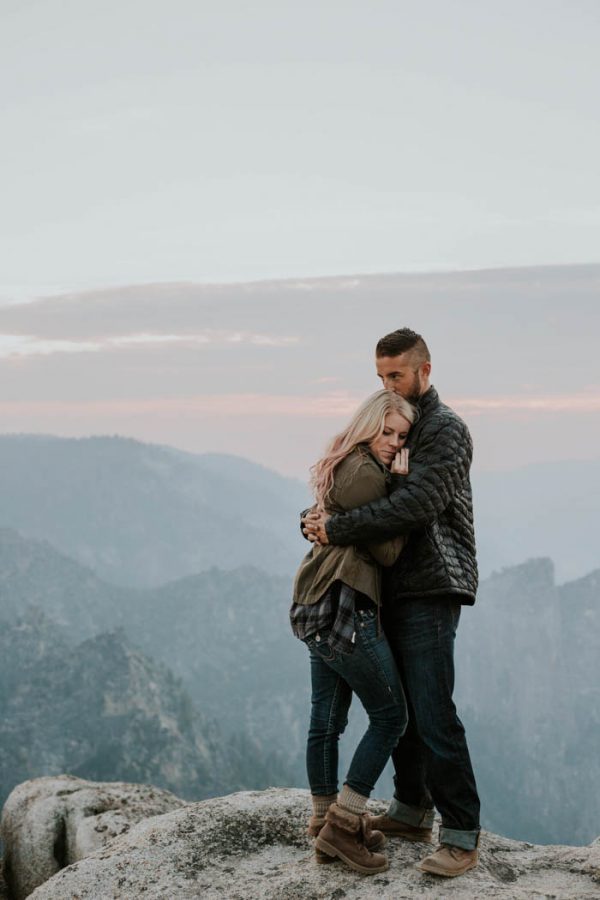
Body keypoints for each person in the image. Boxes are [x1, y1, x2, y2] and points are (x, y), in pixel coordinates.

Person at [302, 328, 481, 879]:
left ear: (425, 371)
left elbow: (416, 505)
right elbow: (355, 488)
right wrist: (316, 523)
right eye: (381, 377)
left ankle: (460, 833)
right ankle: (408, 810)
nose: (388, 385)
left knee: (432, 711)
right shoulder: (392, 423)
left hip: (431, 584)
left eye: (397, 375)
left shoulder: (444, 429)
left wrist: (335, 529)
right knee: (400, 712)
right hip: (388, 587)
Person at [291, 389, 415, 875]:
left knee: (326, 719)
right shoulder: (367, 475)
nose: (393, 443)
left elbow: (324, 519)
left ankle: (323, 823)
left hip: (314, 602)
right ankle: (344, 825)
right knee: (391, 716)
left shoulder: (344, 461)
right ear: (368, 425)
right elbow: (386, 552)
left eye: (402, 436)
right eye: (387, 432)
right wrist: (401, 489)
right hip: (346, 607)